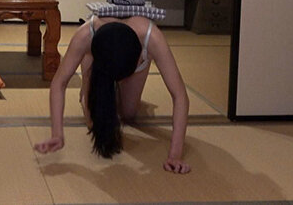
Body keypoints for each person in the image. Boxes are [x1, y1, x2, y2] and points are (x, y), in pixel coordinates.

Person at [33, 14, 191, 174]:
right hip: (98, 63)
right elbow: (59, 83)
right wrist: (57, 134)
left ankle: (114, 90)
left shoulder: (151, 37)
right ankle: (86, 85)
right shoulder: (85, 35)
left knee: (128, 114)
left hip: (133, 61)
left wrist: (175, 155)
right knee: (94, 123)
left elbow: (180, 95)